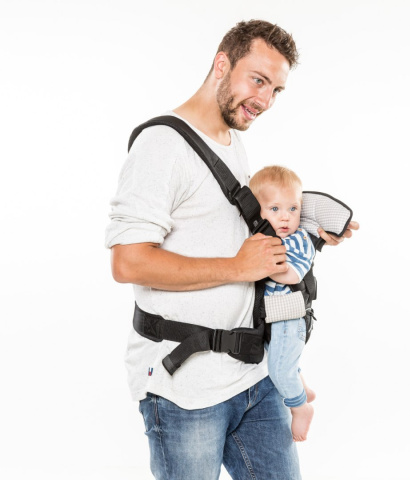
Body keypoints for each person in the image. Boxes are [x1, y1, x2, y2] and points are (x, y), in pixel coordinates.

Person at [105, 19, 359, 480]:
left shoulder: (230, 139)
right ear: (222, 64)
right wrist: (237, 268)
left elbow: (229, 229)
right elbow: (128, 262)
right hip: (186, 389)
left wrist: (310, 233)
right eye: (258, 80)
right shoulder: (161, 146)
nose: (265, 100)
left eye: (276, 90)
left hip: (254, 376)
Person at [249, 165, 316, 442]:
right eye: (275, 209)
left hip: (289, 318)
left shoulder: (298, 240)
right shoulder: (262, 237)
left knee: (278, 369)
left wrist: (257, 266)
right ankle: (303, 388)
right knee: (281, 359)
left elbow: (293, 274)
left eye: (293, 208)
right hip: (272, 319)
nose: (286, 217)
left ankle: (301, 408)